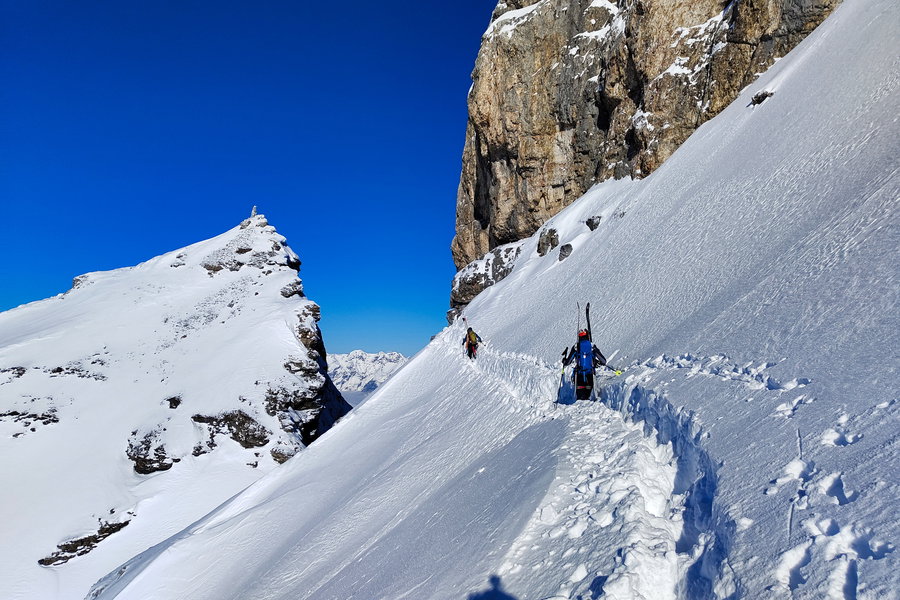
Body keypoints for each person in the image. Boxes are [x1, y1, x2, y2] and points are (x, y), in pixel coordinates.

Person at [562, 329, 607, 400]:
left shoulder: (576, 347)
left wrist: (564, 361)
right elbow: (603, 361)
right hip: (590, 375)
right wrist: (598, 362)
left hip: (579, 375)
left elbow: (568, 362)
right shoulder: (592, 346)